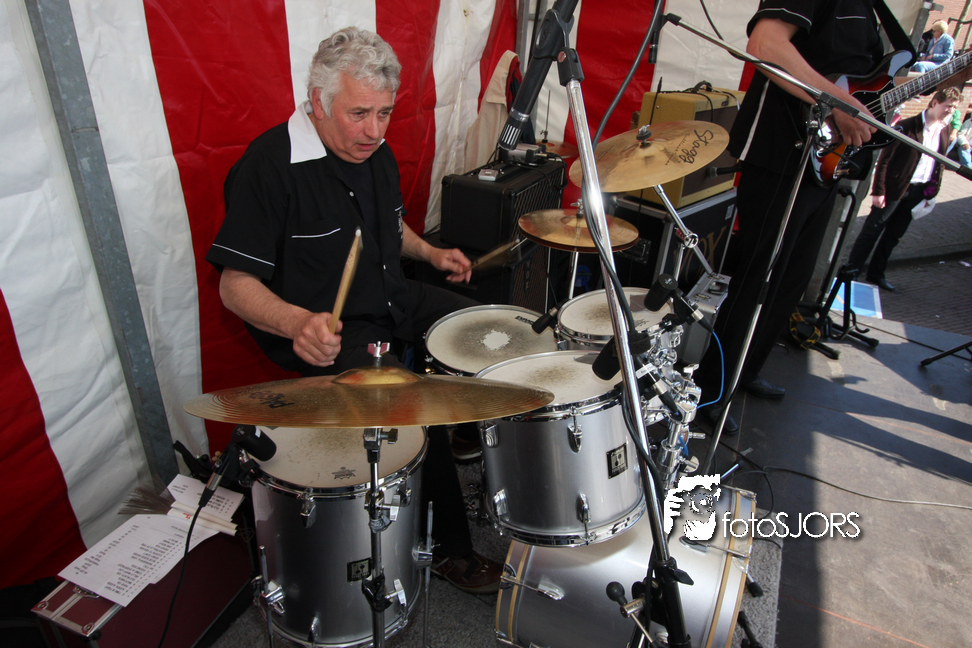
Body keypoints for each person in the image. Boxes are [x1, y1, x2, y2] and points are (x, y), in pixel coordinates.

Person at [206, 27, 501, 593]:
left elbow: (389, 226)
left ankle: (467, 431)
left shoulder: (374, 153)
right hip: (333, 332)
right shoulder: (268, 167)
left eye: (384, 113)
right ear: (318, 103)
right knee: (413, 407)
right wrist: (297, 323)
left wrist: (430, 253)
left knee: (489, 325)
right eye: (359, 114)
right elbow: (234, 284)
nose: (374, 131)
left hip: (393, 295)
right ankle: (449, 550)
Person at [694, 0, 891, 435]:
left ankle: (744, 371)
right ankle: (712, 387)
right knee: (758, 277)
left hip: (826, 163)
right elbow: (765, 44)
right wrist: (837, 102)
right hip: (782, 154)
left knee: (791, 279)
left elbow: (869, 80)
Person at [844, 88, 961, 291]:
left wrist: (932, 191)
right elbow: (885, 160)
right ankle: (851, 271)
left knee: (893, 235)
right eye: (948, 106)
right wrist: (879, 191)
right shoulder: (907, 126)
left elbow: (939, 162)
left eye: (954, 108)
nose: (950, 112)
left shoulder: (944, 128)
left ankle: (876, 274)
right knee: (872, 231)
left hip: (918, 190)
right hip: (894, 189)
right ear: (935, 103)